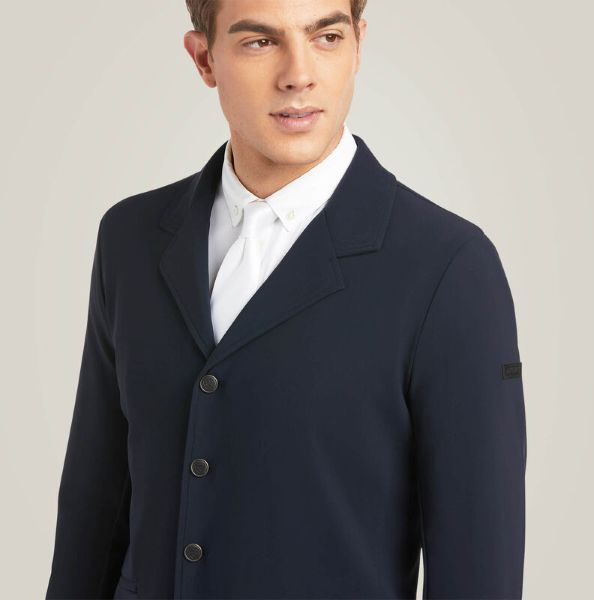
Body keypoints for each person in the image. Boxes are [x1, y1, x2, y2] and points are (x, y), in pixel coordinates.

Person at [46, 1, 527, 598]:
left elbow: (480, 568)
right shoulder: (131, 238)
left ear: (358, 44)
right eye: (260, 42)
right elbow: (94, 509)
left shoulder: (449, 267)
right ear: (204, 59)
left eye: (326, 37)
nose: (299, 75)